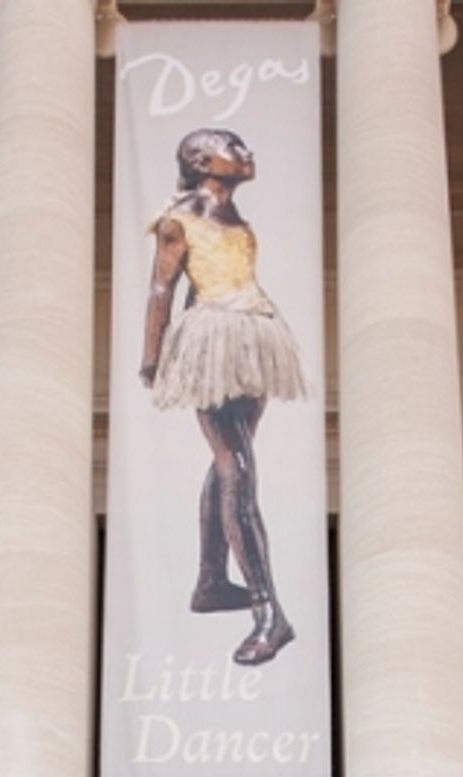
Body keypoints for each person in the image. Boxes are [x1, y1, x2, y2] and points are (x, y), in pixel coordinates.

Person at [139, 126, 306, 668]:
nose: (247, 152)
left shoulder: (239, 220)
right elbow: (162, 287)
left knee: (232, 460)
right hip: (213, 336)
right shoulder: (177, 219)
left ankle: (212, 579)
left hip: (254, 331)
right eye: (234, 147)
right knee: (237, 466)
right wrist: (153, 355)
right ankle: (267, 610)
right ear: (201, 160)